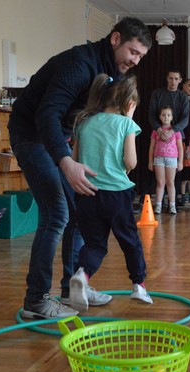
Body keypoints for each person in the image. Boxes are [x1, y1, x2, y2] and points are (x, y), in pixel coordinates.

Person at [8, 17, 151, 319]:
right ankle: (35, 300)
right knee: (57, 213)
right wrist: (66, 161)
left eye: (140, 56)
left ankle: (72, 289)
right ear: (115, 39)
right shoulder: (79, 63)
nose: (135, 61)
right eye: (133, 52)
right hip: (31, 135)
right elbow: (47, 114)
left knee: (79, 213)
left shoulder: (111, 70)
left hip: (59, 136)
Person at [67, 75, 153, 310]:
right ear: (129, 104)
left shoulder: (84, 122)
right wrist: (129, 121)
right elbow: (131, 162)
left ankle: (82, 277)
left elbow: (74, 160)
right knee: (130, 242)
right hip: (116, 195)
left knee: (94, 244)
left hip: (87, 193)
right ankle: (139, 286)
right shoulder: (127, 124)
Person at [149, 70, 190, 208]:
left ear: (180, 80)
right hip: (159, 135)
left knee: (175, 176)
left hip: (176, 137)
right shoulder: (157, 94)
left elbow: (185, 119)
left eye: (176, 79)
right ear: (167, 78)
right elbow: (151, 115)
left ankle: (173, 203)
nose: (173, 81)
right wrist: (159, 130)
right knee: (159, 178)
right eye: (171, 78)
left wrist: (172, 131)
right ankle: (159, 203)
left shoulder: (183, 97)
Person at [149, 106, 183, 214]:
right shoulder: (156, 131)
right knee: (160, 182)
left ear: (172, 117)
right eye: (163, 115)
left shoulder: (176, 132)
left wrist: (180, 161)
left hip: (172, 159)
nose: (166, 117)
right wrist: (150, 162)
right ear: (159, 117)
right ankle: (158, 205)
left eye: (168, 115)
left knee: (170, 182)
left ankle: (172, 205)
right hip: (158, 158)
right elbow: (151, 147)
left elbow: (180, 147)